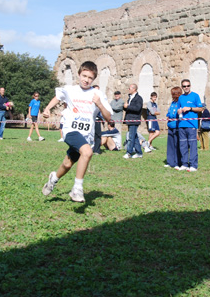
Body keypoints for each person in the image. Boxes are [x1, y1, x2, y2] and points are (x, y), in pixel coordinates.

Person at [41, 61, 112, 203]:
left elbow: (108, 117)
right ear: (79, 75)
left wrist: (98, 104)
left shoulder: (97, 94)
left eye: (90, 78)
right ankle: (77, 189)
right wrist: (47, 108)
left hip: (86, 136)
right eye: (84, 76)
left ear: (94, 79)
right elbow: (58, 97)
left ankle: (53, 179)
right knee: (87, 152)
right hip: (70, 130)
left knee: (67, 164)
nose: (86, 80)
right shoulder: (70, 89)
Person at [177, 79, 203, 171]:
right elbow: (178, 108)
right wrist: (179, 111)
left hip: (191, 124)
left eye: (188, 85)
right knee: (183, 145)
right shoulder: (180, 97)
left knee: (192, 145)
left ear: (190, 86)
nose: (186, 87)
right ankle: (184, 164)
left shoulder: (195, 96)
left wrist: (190, 108)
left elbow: (200, 109)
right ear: (182, 87)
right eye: (184, 86)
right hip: (181, 124)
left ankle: (193, 165)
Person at [123, 84, 144, 159]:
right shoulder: (130, 98)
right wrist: (125, 107)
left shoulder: (139, 98)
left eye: (129, 88)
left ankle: (129, 153)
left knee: (131, 137)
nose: (128, 89)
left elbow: (137, 108)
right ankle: (139, 152)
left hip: (134, 120)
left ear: (134, 89)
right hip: (129, 119)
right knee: (134, 137)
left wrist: (128, 106)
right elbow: (128, 108)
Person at [165, 86, 182, 169]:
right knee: (170, 144)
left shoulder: (180, 102)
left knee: (177, 144)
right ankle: (170, 161)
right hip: (170, 125)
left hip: (177, 126)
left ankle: (177, 162)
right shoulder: (173, 103)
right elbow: (169, 112)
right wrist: (168, 116)